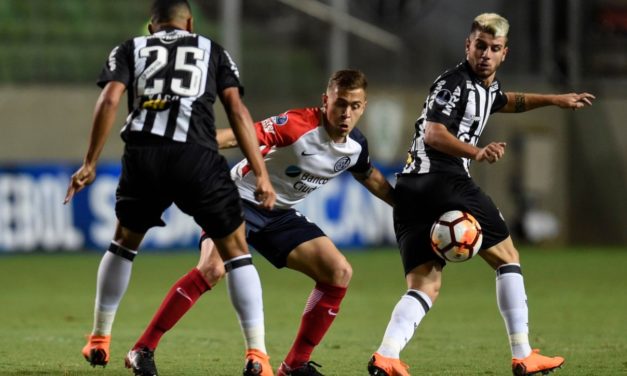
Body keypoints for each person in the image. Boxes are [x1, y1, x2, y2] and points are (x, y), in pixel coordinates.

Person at [367, 13, 595, 376]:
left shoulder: (487, 88)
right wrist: (476, 152)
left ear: (504, 52)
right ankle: (523, 354)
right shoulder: (454, 82)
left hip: (411, 188)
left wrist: (555, 99)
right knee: (507, 257)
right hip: (443, 178)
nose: (486, 54)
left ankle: (387, 355)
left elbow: (506, 100)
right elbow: (433, 134)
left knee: (425, 283)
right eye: (480, 46)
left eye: (494, 48)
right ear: (467, 46)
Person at [125, 69, 395, 376]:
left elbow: (369, 175)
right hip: (233, 199)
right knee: (212, 269)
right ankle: (141, 349)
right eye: (340, 104)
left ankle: (294, 365)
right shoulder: (298, 124)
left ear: (364, 107)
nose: (346, 113)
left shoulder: (355, 146)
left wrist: (401, 206)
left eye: (355, 106)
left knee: (338, 271)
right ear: (325, 101)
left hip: (277, 213)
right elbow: (244, 134)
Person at [63, 1, 277, 375]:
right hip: (197, 156)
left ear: (151, 26)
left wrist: (90, 163)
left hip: (143, 157)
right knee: (235, 251)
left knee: (124, 243)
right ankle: (257, 354)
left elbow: (110, 99)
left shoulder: (130, 48)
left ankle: (99, 338)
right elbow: (238, 111)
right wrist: (260, 173)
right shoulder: (212, 50)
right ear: (190, 23)